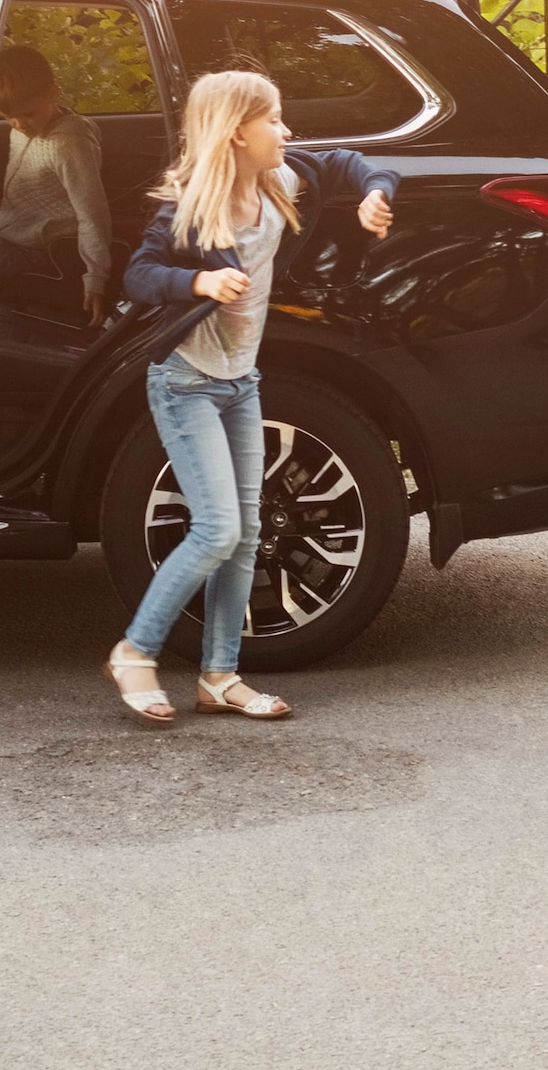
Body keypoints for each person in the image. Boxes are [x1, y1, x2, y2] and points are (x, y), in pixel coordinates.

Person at [104, 69, 399, 722]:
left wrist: (374, 193)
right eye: (274, 119)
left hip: (241, 383)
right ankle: (136, 650)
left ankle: (219, 676)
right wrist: (198, 286)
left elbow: (352, 164)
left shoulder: (283, 182)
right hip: (185, 385)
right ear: (238, 131)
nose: (286, 131)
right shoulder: (189, 208)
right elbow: (139, 275)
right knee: (216, 529)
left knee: (245, 534)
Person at [0, 46, 113, 319]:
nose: (19, 123)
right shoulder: (21, 128)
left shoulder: (69, 143)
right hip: (8, 232)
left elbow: (92, 214)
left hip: (37, 247)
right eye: (8, 116)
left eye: (28, 113)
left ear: (53, 95)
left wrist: (95, 277)